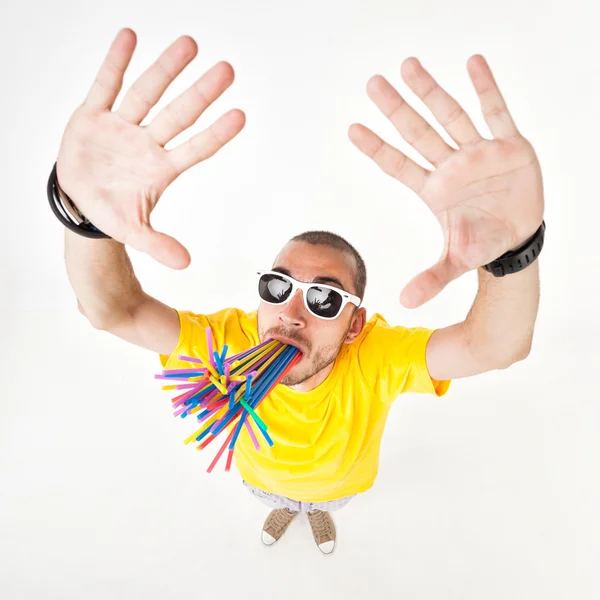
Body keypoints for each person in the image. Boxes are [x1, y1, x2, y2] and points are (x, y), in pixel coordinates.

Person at [59, 29, 543, 556]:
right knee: (280, 497)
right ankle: (286, 506)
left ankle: (317, 515)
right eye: (278, 286)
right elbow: (111, 310)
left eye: (325, 299)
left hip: (341, 486)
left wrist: (510, 253)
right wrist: (87, 219)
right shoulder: (228, 344)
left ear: (355, 323)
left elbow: (496, 347)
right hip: (259, 476)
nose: (290, 313)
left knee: (321, 503)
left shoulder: (375, 356)